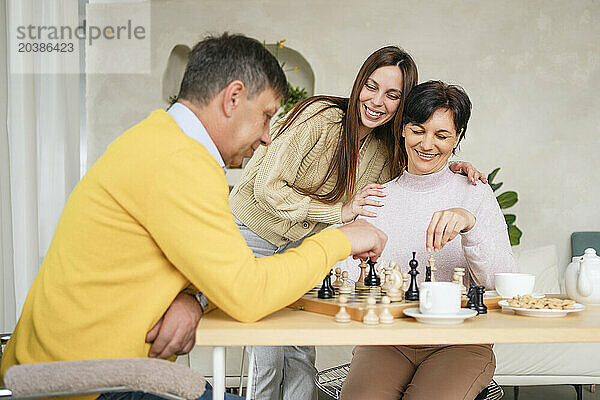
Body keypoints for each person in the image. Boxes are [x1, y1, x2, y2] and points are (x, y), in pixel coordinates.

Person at [0, 33, 389, 400]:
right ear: (233, 98)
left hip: (107, 369)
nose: (269, 135)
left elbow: (188, 263)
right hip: (84, 383)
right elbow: (249, 295)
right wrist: (344, 237)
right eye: (267, 115)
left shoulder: (164, 141)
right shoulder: (179, 163)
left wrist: (193, 299)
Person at [229, 47, 487, 400]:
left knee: (302, 349)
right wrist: (338, 215)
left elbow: (421, 165)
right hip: (254, 233)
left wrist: (456, 167)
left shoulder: (385, 149)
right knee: (270, 353)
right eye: (371, 86)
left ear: (403, 104)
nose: (377, 101)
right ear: (358, 84)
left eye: (392, 94)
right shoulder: (319, 118)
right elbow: (267, 188)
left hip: (301, 245)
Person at [339, 80, 518, 400]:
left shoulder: (473, 192)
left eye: (442, 135)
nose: (427, 144)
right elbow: (348, 280)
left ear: (458, 137)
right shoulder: (378, 197)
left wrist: (470, 225)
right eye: (418, 130)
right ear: (403, 129)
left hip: (461, 342)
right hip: (389, 339)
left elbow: (501, 282)